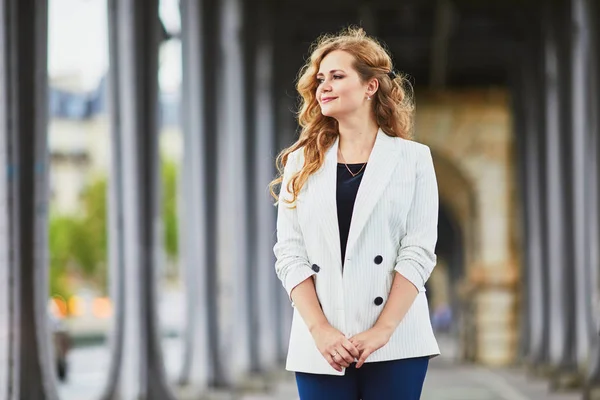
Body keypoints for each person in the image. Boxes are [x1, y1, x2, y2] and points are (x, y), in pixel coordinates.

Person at [269, 27, 440, 400]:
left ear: (370, 86)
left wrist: (382, 330)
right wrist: (320, 331)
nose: (323, 87)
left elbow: (418, 251)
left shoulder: (413, 160)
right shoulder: (301, 162)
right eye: (320, 79)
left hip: (397, 343)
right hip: (321, 345)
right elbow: (289, 254)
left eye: (337, 76)